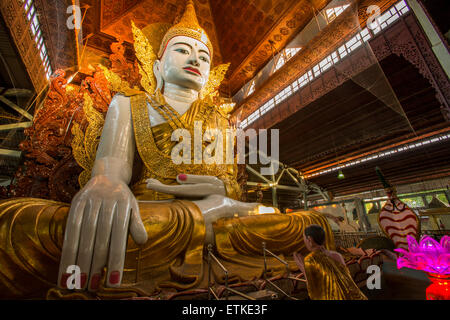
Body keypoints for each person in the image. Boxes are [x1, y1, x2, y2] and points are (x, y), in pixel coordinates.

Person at [0, 1, 334, 299]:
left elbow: (230, 186)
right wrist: (107, 183)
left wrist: (220, 193)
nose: (195, 59)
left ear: (208, 74)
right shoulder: (129, 104)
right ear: (157, 67)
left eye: (203, 56)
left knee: (303, 223)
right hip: (151, 214)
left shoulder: (219, 120)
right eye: (183, 50)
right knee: (15, 223)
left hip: (219, 217)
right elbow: (111, 169)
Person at [293, 224, 367, 300]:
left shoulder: (310, 259)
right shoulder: (337, 255)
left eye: (304, 238)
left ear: (309, 239)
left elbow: (314, 290)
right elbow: (346, 281)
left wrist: (303, 268)